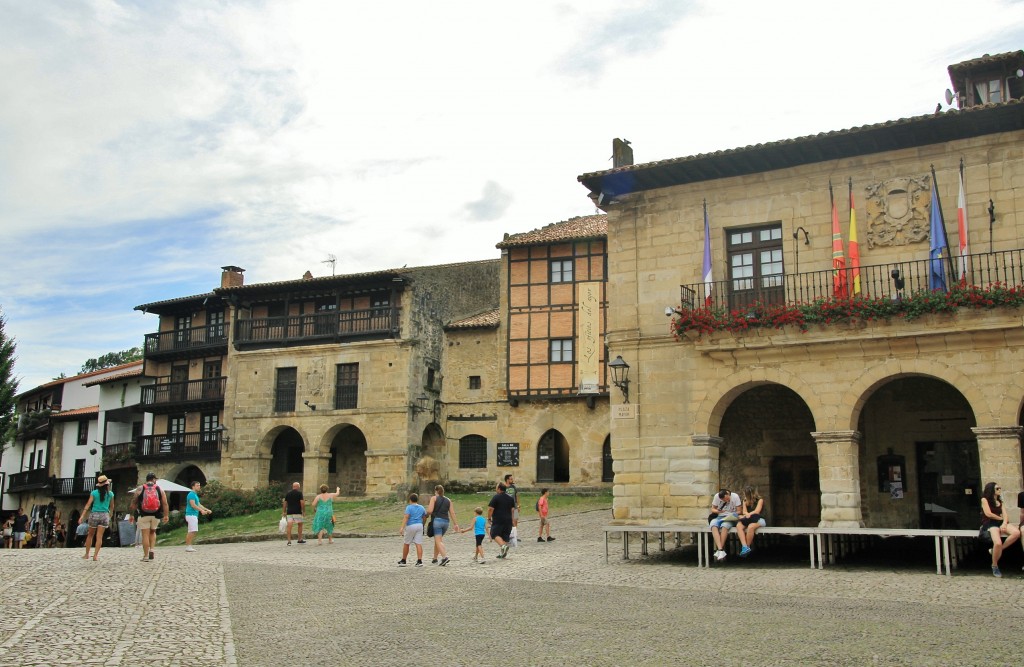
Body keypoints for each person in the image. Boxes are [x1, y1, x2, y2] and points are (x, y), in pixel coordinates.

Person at [981, 481, 1020, 577]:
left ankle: (995, 551)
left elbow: (1005, 514)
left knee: (1016, 533)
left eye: (999, 488)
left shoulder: (1000, 501)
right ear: (992, 490)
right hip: (990, 522)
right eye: (997, 488)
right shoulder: (984, 500)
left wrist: (1004, 522)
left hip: (1000, 521)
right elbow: (988, 514)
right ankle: (994, 565)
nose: (999, 490)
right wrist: (1001, 519)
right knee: (997, 543)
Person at [129, 472, 169, 562]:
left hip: (143, 515)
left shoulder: (140, 488)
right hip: (156, 515)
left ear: (147, 479)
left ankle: (146, 556)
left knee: (145, 535)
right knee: (152, 532)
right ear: (154, 479)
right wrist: (166, 515)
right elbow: (165, 503)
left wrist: (131, 514)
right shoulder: (159, 489)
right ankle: (152, 549)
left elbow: (133, 502)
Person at [79, 476, 114, 560]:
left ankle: (87, 554)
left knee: (90, 535)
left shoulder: (94, 493)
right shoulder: (110, 494)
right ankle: (95, 556)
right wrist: (110, 515)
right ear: (106, 485)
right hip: (104, 515)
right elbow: (112, 506)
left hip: (94, 514)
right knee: (99, 537)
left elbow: (88, 505)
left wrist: (82, 515)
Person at [426, 484, 459, 566]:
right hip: (446, 522)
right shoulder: (448, 500)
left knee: (438, 541)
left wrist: (426, 515)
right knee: (438, 540)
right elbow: (452, 512)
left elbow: (430, 511)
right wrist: (455, 524)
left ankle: (444, 557)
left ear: (436, 491)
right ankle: (434, 558)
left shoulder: (434, 498)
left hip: (437, 521)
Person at [709, 488, 741, 562]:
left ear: (728, 494)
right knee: (713, 525)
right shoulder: (717, 496)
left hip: (730, 517)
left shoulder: (735, 496)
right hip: (720, 516)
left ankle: (720, 550)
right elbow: (712, 509)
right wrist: (718, 511)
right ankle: (720, 549)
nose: (726, 501)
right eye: (724, 500)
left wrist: (733, 514)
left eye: (727, 499)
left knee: (724, 526)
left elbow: (739, 511)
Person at [487, 482, 516, 559]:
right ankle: (502, 553)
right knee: (505, 536)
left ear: (499, 489)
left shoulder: (496, 497)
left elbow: (490, 509)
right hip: (508, 520)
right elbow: (513, 510)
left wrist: (489, 518)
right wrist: (513, 520)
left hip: (498, 519)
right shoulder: (510, 498)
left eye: (496, 487)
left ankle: (503, 546)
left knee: (494, 533)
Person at [184, 480, 213, 553]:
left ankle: (188, 546)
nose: (199, 487)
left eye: (199, 485)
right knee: (193, 531)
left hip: (193, 515)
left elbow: (199, 504)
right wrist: (201, 511)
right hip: (191, 514)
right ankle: (188, 546)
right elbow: (193, 505)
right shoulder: (191, 494)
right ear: (193, 486)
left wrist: (206, 509)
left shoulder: (195, 495)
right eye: (197, 485)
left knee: (191, 531)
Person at [398, 492, 425, 567]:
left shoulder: (409, 507)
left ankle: (404, 560)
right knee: (418, 543)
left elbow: (406, 517)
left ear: (410, 500)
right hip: (419, 525)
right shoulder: (421, 507)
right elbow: (424, 516)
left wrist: (402, 527)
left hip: (411, 525)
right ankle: (419, 560)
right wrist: (423, 524)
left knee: (407, 543)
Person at [736, 486, 765, 557]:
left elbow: (757, 511)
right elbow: (744, 511)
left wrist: (749, 514)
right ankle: (744, 546)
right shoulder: (745, 500)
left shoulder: (760, 500)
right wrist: (747, 514)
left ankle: (748, 546)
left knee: (751, 527)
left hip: (758, 519)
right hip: (748, 518)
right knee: (739, 525)